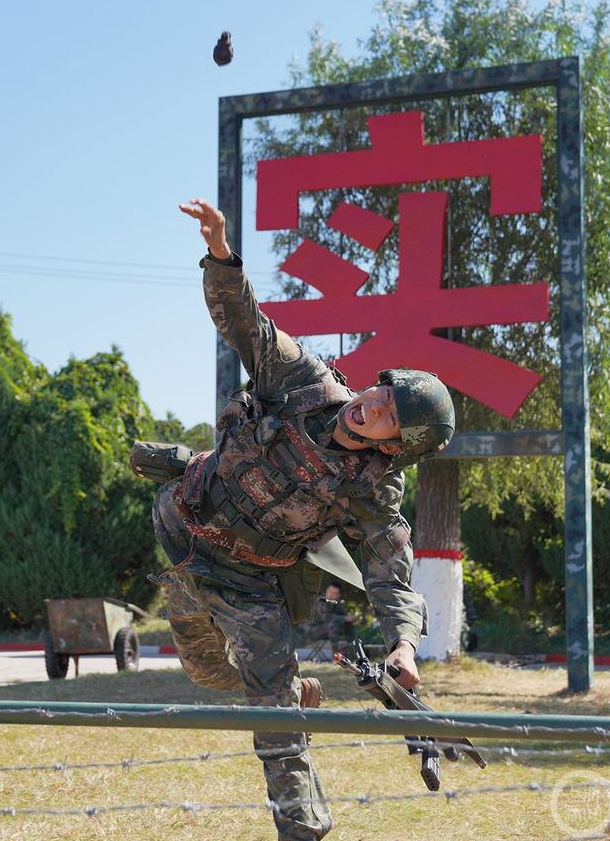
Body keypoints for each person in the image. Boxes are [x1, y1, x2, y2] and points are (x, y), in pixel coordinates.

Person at [137, 198, 455, 841]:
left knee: (274, 714)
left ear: (396, 446)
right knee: (204, 671)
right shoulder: (305, 380)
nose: (371, 407)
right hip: (183, 534)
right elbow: (245, 324)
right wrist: (222, 253)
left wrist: (402, 645)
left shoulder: (372, 489)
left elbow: (392, 575)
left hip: (253, 582)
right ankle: (291, 684)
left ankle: (303, 828)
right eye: (381, 393)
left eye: (389, 416)